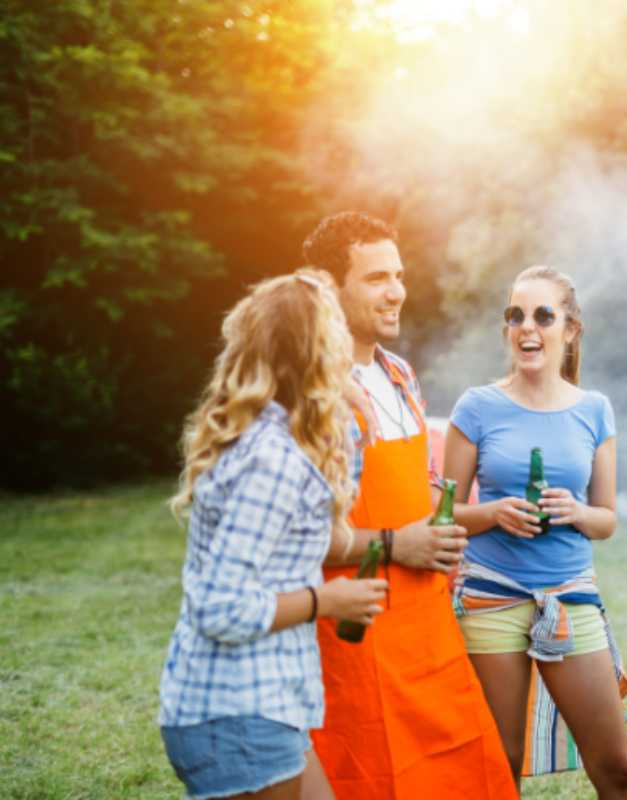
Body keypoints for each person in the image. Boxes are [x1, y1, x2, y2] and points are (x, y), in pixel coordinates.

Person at [302, 213, 517, 799]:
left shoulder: (399, 376)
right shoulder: (307, 390)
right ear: (327, 285)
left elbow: (418, 490)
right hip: (355, 639)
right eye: (375, 277)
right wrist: (400, 543)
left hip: (429, 629)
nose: (396, 291)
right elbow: (294, 534)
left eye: (398, 274)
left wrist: (477, 518)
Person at [158, 268, 389, 800]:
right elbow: (219, 607)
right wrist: (325, 600)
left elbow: (327, 525)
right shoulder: (271, 460)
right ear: (319, 352)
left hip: (260, 708)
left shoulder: (273, 437)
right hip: (238, 711)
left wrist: (347, 417)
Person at [443, 266, 627, 799]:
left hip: (570, 595)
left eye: (542, 316)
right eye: (515, 315)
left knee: (618, 769)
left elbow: (607, 519)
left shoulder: (594, 410)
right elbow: (443, 514)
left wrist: (575, 511)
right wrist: (494, 513)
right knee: (497, 766)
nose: (527, 328)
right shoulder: (478, 406)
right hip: (491, 596)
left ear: (570, 330)